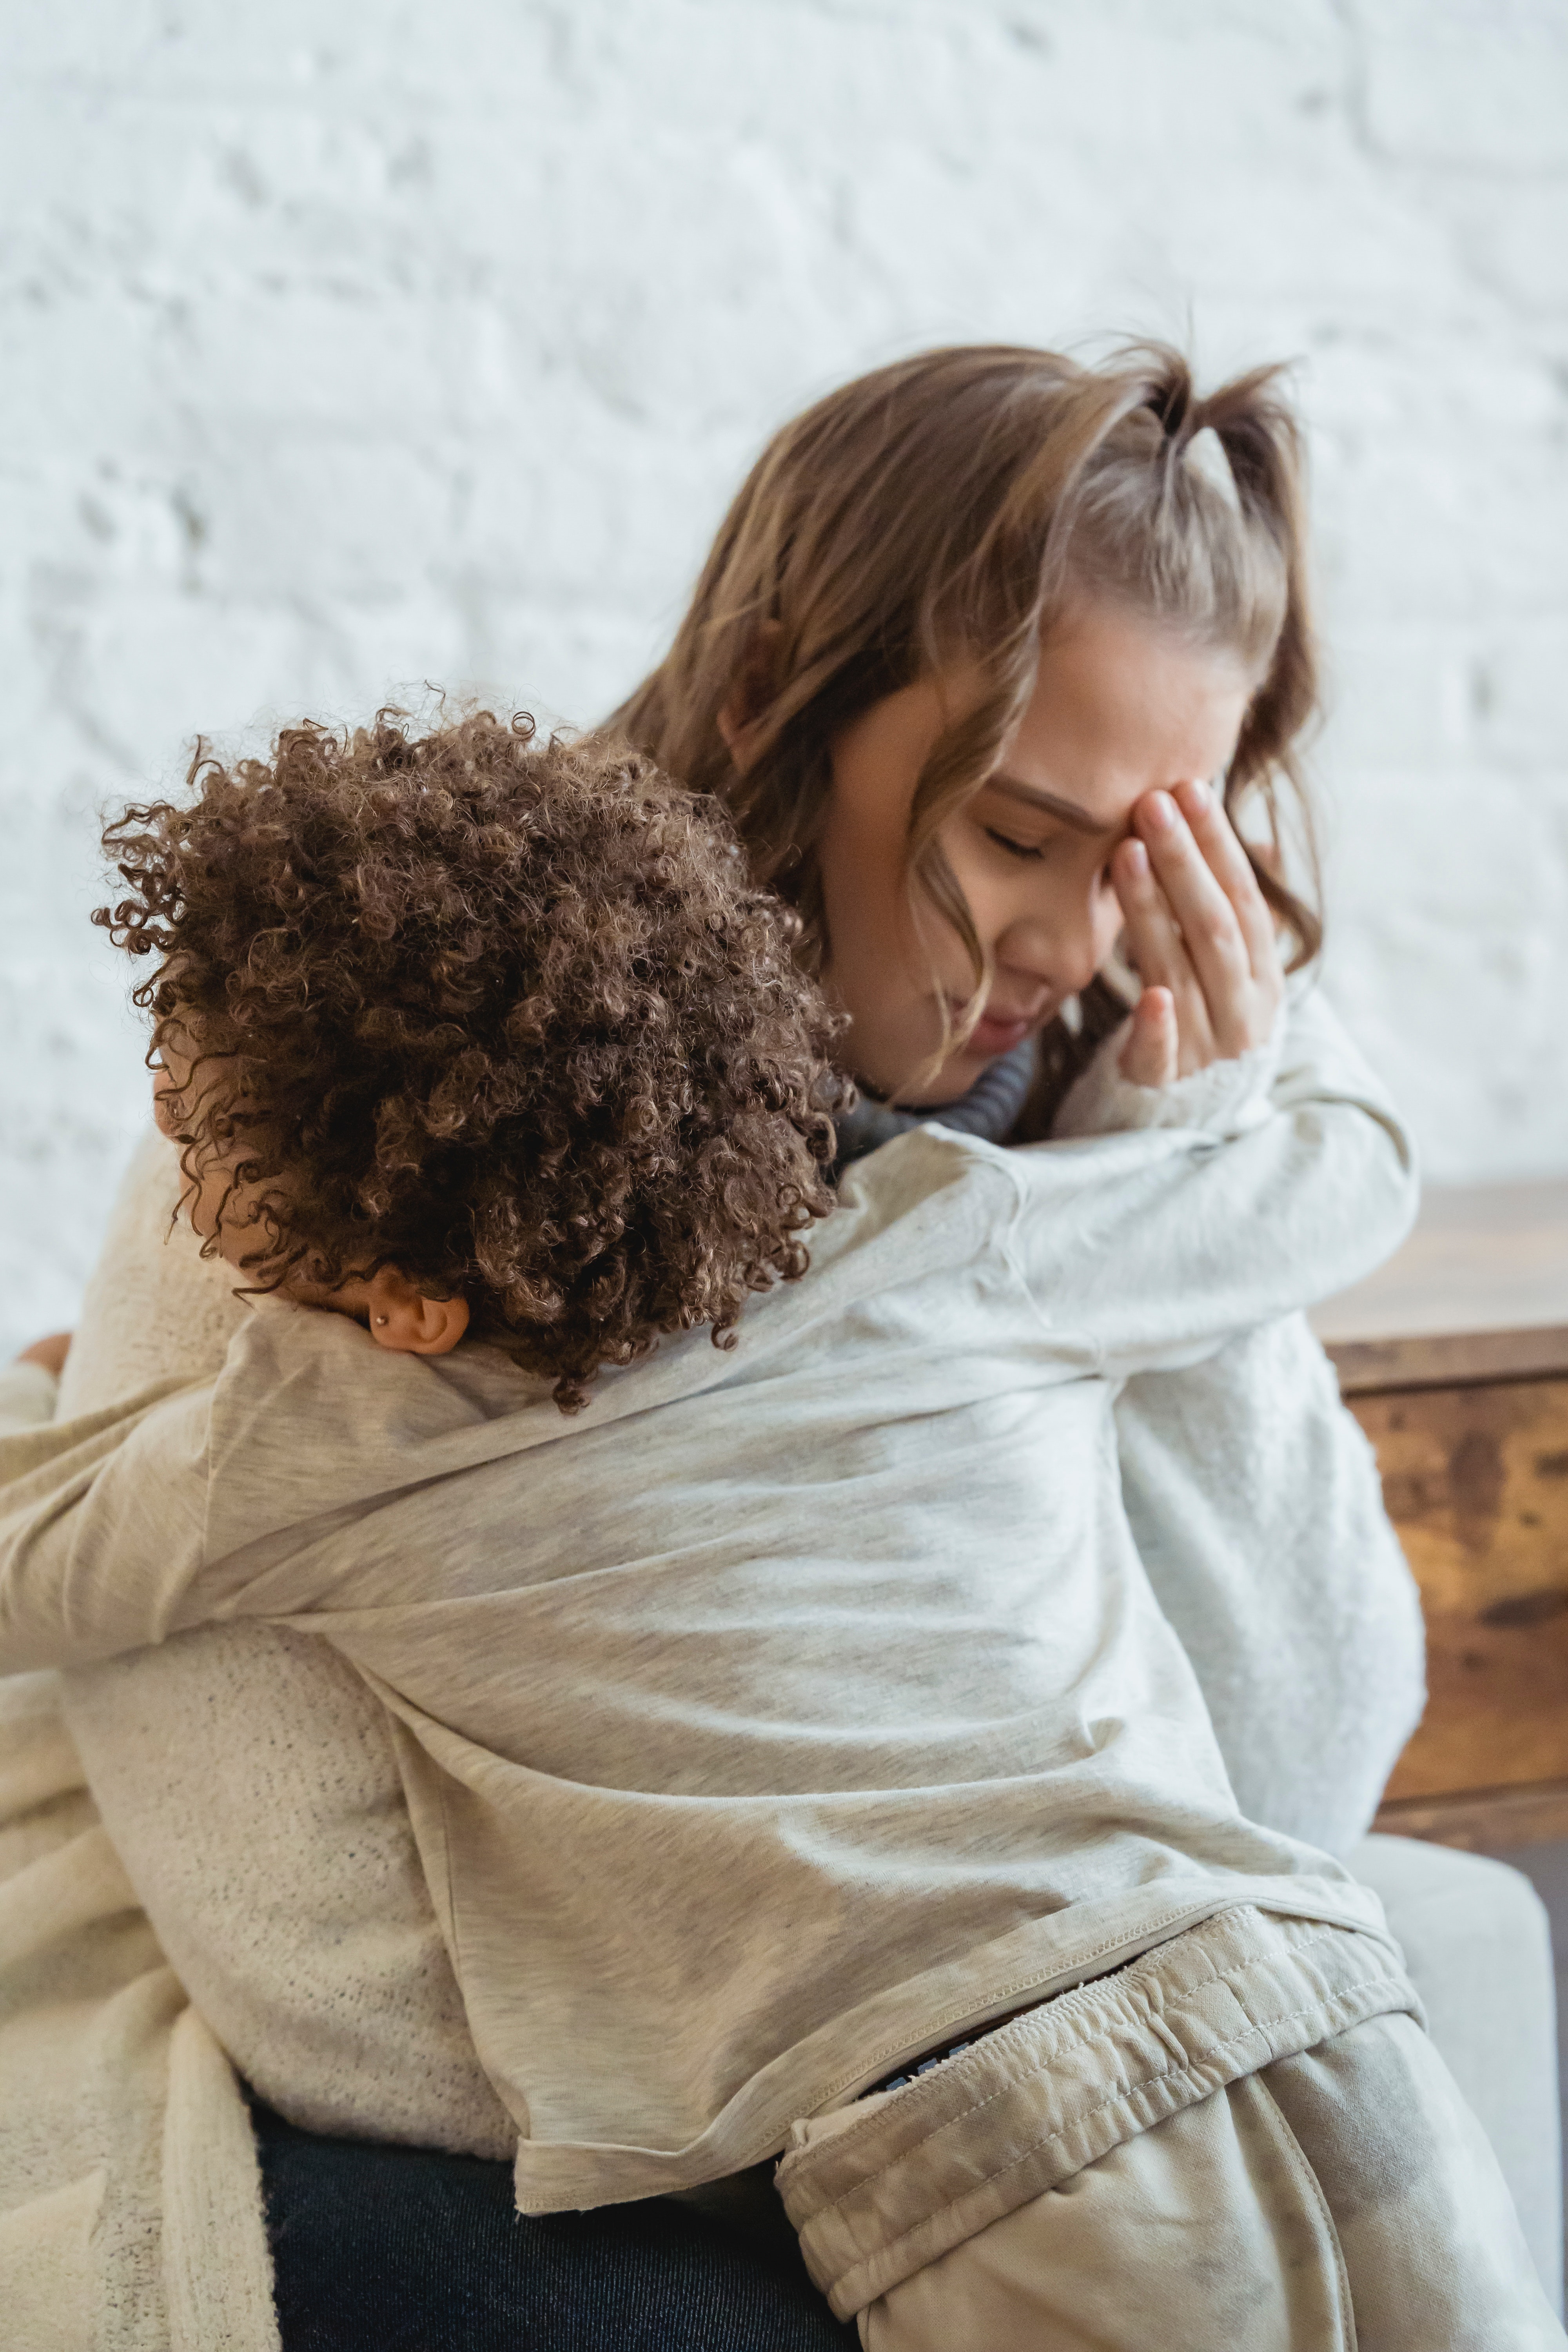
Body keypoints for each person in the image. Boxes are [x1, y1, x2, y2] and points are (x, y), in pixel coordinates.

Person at [0, 342, 1446, 2346]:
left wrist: (1158, 1165)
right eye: (1018, 831)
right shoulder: (400, 1068)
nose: (1072, 942)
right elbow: (310, 1961)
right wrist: (763, 2046)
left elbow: (1300, 1766)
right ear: (779, 692)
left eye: (1148, 853)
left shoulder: (1159, 1062)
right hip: (566, 2111)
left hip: (963, 2054)